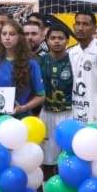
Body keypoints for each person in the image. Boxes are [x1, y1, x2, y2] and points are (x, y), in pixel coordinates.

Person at [0, 21, 45, 118]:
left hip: (21, 117)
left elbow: (41, 96)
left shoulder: (32, 63)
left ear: (20, 37)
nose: (7, 37)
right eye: (4, 34)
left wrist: (24, 108)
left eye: (12, 34)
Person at [38, 20, 76, 176]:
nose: (56, 41)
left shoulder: (74, 60)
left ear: (67, 40)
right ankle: (48, 189)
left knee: (69, 155)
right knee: (47, 159)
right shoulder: (40, 61)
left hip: (69, 112)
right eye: (53, 38)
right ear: (47, 40)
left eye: (60, 38)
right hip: (47, 112)